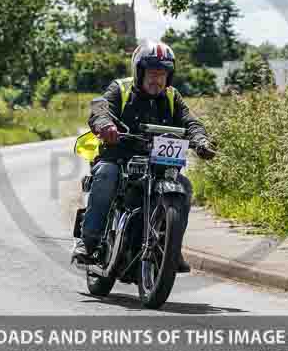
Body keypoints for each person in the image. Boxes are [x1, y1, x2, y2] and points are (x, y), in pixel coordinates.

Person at [71, 40, 216, 272]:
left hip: (157, 164)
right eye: (151, 72)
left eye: (162, 74)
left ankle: (171, 248)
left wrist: (200, 140)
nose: (156, 79)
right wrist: (105, 125)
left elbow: (191, 121)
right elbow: (100, 109)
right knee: (107, 174)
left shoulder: (172, 97)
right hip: (119, 158)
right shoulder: (120, 88)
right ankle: (88, 242)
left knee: (184, 186)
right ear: (139, 71)